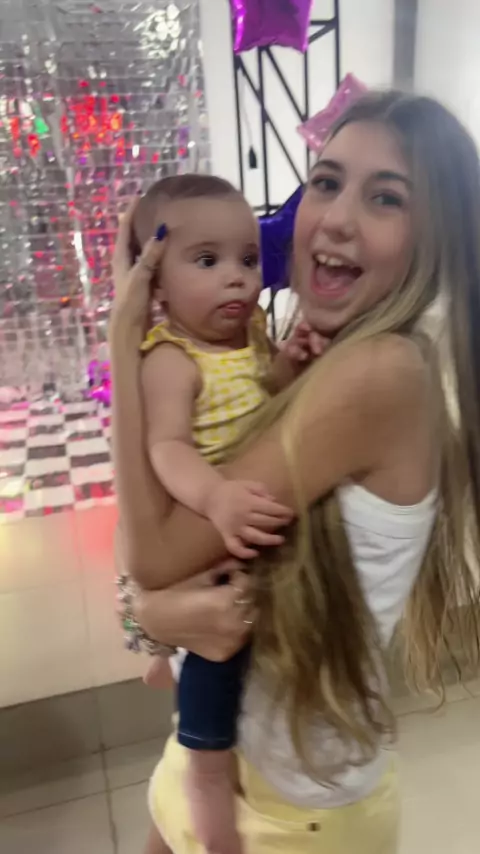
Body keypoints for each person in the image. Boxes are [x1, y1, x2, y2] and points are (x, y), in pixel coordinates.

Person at [110, 91, 480, 854]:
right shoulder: (311, 350)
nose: (336, 218)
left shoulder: (380, 372)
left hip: (292, 809)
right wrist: (148, 614)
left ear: (437, 236)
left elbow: (155, 557)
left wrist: (124, 346)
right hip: (221, 750)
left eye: (386, 198)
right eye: (326, 181)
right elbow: (171, 550)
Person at [117, 173, 326, 854]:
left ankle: (161, 656)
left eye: (247, 258)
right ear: (156, 284)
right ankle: (214, 828)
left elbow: (265, 397)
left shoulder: (252, 338)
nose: (236, 277)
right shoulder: (170, 359)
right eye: (207, 260)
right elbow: (166, 447)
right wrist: (215, 496)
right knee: (210, 715)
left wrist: (289, 367)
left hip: (244, 530)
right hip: (204, 540)